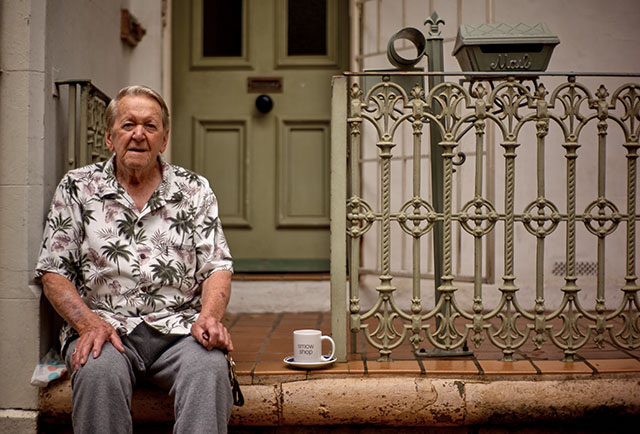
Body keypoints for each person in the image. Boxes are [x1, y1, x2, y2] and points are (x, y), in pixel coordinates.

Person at [35, 85, 235, 434]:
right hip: (105, 328)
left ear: (164, 138)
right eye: (128, 125)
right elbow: (54, 270)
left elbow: (217, 265)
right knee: (96, 370)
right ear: (110, 138)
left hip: (180, 330)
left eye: (150, 126)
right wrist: (87, 324)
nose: (139, 134)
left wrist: (209, 318)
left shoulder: (194, 189)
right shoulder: (78, 188)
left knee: (209, 368)